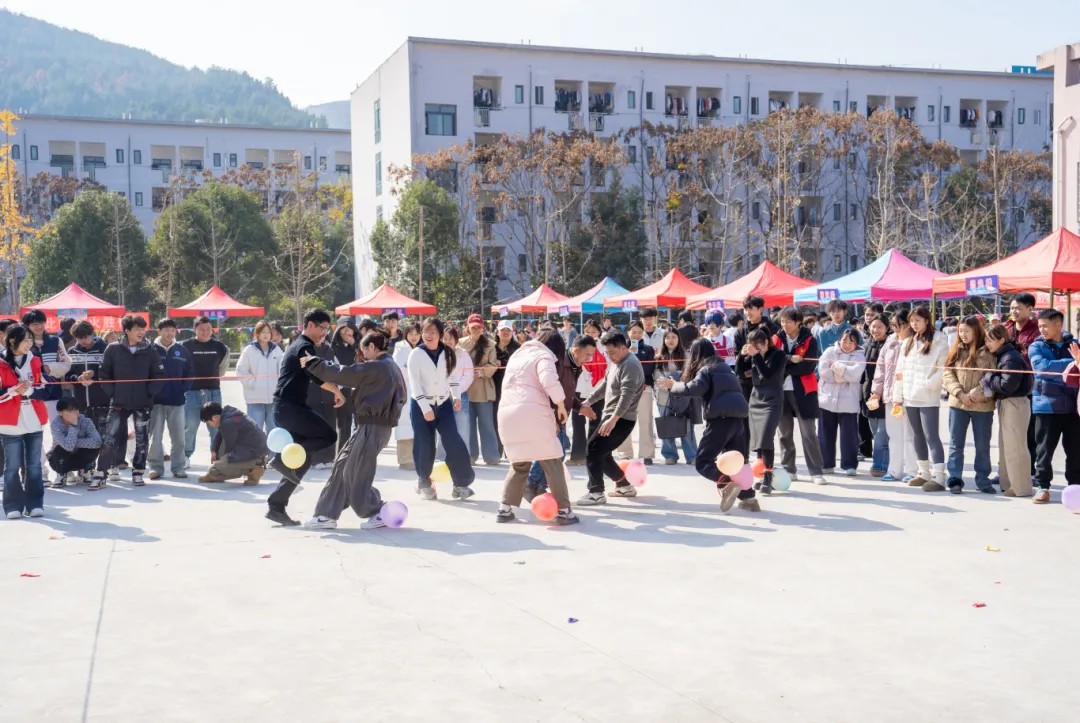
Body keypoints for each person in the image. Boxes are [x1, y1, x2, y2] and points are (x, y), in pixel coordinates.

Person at [303, 331, 408, 529]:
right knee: (342, 467)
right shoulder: (390, 366)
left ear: (371, 348)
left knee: (355, 473)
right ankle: (326, 515)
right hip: (371, 426)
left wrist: (314, 363)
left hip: (373, 426)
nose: (364, 356)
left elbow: (344, 373)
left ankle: (377, 511)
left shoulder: (378, 366)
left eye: (364, 351)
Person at [657, 338, 756, 512]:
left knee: (703, 461)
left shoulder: (706, 369)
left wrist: (674, 386)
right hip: (738, 420)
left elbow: (693, 389)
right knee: (737, 462)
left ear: (696, 354)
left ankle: (726, 483)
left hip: (720, 421)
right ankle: (749, 498)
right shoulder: (725, 367)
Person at [496, 328, 580, 525]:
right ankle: (565, 511)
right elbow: (549, 380)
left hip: (507, 413)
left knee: (519, 464)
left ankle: (504, 509)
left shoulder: (518, 353)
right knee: (552, 461)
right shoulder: (544, 356)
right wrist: (560, 403)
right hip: (532, 412)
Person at [264, 309, 339, 526]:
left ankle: (276, 505)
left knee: (300, 460)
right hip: (289, 408)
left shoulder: (299, 345)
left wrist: (335, 390)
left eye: (327, 329)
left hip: (290, 407)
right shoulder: (304, 345)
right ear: (309, 325)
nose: (324, 334)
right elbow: (316, 373)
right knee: (328, 436)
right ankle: (279, 460)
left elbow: (312, 376)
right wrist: (338, 388)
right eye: (322, 328)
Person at [408, 317, 476, 501]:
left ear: (439, 334)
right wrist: (425, 408)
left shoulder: (448, 353)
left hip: (444, 403)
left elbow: (453, 378)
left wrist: (455, 396)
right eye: (425, 332)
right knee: (425, 443)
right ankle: (423, 481)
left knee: (454, 441)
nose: (428, 336)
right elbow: (414, 384)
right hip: (422, 405)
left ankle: (461, 483)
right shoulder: (416, 354)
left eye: (433, 332)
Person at [578, 331, 644, 505]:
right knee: (603, 454)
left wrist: (613, 419)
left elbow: (626, 396)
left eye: (612, 353)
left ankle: (596, 492)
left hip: (622, 419)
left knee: (592, 449)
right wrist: (589, 400)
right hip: (612, 416)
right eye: (607, 353)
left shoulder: (630, 365)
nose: (610, 356)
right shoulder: (616, 362)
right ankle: (624, 486)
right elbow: (606, 384)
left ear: (623, 348)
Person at [98, 315, 165, 487]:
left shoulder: (150, 349)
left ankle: (138, 471)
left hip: (142, 402)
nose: (142, 332)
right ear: (127, 331)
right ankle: (102, 472)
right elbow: (104, 374)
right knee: (110, 437)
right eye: (137, 329)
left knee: (142, 438)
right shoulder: (113, 349)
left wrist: (149, 393)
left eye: (143, 329)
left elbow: (158, 375)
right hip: (119, 402)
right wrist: (113, 393)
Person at [939, 316, 997, 494]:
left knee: (982, 444)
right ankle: (954, 478)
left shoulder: (988, 351)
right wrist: (960, 394)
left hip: (983, 406)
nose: (963, 335)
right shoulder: (956, 350)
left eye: (967, 331)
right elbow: (947, 374)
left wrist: (974, 395)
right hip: (958, 404)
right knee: (956, 444)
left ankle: (983, 479)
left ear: (976, 331)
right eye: (960, 331)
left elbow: (992, 376)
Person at [1028, 309, 1080, 504]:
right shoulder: (1036, 346)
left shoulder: (1075, 344)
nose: (1041, 329)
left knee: (1075, 451)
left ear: (1058, 325)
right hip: (1046, 406)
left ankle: (1075, 486)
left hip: (1073, 408)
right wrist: (1072, 364)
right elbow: (1042, 369)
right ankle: (1043, 486)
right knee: (1044, 450)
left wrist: (1066, 369)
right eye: (1039, 326)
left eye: (1045, 326)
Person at [894, 306, 949, 489]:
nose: (914, 324)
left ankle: (939, 475)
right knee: (916, 435)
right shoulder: (908, 341)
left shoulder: (939, 339)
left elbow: (942, 369)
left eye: (918, 320)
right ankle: (923, 472)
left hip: (927, 396)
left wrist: (927, 385)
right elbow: (899, 371)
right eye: (912, 321)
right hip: (910, 396)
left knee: (931, 435)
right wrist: (898, 395)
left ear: (927, 320)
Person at [771, 307, 827, 485]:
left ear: (798, 323)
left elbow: (808, 367)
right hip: (780, 391)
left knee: (808, 432)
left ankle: (816, 471)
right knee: (784, 433)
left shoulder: (810, 339)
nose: (784, 325)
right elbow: (772, 364)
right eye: (782, 321)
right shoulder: (776, 339)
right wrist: (789, 359)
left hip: (804, 391)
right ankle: (789, 469)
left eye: (788, 321)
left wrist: (784, 367)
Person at [1, 324, 48, 518]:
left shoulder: (35, 361)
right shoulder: (1, 362)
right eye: (26, 339)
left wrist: (28, 391)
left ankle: (35, 503)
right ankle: (13, 506)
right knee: (11, 466)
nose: (30, 343)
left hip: (34, 421)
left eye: (31, 339)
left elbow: (47, 389)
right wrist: (14, 391)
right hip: (9, 423)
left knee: (34, 465)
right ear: (13, 341)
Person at [985, 324, 1033, 497]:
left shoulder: (1010, 357)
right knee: (1006, 446)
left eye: (990, 340)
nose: (987, 343)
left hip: (1015, 403)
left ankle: (1021, 487)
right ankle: (1008, 483)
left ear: (1001, 340)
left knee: (1016, 447)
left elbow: (1008, 385)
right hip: (1008, 403)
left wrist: (990, 377)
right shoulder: (1004, 355)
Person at [22, 309, 71, 478]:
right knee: (35, 433)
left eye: (41, 322)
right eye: (34, 323)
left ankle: (60, 469)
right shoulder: (23, 344)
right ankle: (41, 472)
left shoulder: (56, 341)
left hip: (53, 394)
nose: (39, 326)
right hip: (32, 395)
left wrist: (51, 369)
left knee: (58, 431)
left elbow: (66, 363)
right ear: (27, 326)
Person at [870, 310, 917, 482]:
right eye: (894, 326)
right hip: (890, 396)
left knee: (910, 435)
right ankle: (894, 469)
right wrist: (876, 391)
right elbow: (880, 369)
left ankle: (912, 470)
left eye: (898, 326)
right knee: (894, 435)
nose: (896, 330)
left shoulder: (915, 343)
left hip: (908, 396)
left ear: (907, 325)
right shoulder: (889, 342)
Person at [64, 321, 111, 488]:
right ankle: (85, 469)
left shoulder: (104, 348)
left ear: (93, 333)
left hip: (102, 400)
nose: (84, 341)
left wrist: (95, 375)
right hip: (81, 401)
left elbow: (110, 371)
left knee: (101, 436)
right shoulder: (71, 351)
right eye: (79, 338)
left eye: (86, 337)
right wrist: (77, 379)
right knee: (83, 437)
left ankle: (102, 470)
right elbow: (68, 374)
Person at [147, 318, 193, 481]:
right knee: (155, 438)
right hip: (156, 402)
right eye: (166, 330)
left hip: (177, 401)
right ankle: (155, 467)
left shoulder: (182, 350)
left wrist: (183, 388)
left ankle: (178, 467)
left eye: (172, 330)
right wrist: (150, 391)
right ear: (158, 331)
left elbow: (189, 373)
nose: (169, 333)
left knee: (179, 437)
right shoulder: (150, 349)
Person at [817, 328, 867, 476]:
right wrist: (843, 375)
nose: (847, 344)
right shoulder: (829, 351)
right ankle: (826, 463)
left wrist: (837, 367)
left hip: (848, 402)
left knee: (849, 436)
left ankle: (850, 464)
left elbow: (855, 375)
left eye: (851, 341)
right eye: (844, 340)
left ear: (856, 343)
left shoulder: (860, 355)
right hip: (827, 399)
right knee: (825, 434)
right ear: (840, 339)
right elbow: (823, 372)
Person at [744, 328, 786, 494]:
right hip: (756, 399)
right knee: (758, 439)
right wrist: (742, 357)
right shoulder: (754, 356)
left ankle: (768, 476)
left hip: (772, 400)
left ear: (766, 342)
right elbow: (741, 373)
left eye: (759, 345)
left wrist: (756, 356)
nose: (756, 348)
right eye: (753, 346)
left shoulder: (779, 355)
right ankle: (761, 474)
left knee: (766, 437)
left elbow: (768, 374)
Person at [733, 296, 780, 445]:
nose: (747, 312)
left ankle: (764, 454)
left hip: (765, 379)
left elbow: (774, 355)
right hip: (746, 381)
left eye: (751, 308)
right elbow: (738, 359)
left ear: (760, 309)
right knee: (744, 418)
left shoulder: (772, 329)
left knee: (764, 420)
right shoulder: (740, 332)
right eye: (745, 309)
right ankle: (745, 453)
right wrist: (743, 355)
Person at [182, 316, 230, 460]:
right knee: (190, 426)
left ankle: (216, 455)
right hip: (192, 392)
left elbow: (222, 369)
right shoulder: (185, 346)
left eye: (208, 329)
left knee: (215, 426)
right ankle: (186, 456)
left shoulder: (220, 347)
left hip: (213, 391)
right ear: (195, 329)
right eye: (201, 329)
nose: (205, 332)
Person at [459, 314, 500, 465]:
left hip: (483, 389)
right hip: (466, 389)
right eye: (473, 327)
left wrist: (481, 372)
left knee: (487, 424)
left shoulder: (490, 344)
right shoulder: (460, 344)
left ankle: (491, 456)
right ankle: (470, 455)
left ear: (483, 328)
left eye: (479, 327)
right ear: (468, 327)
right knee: (467, 425)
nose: (476, 329)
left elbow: (494, 364)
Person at [198, 402, 268, 484]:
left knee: (216, 468)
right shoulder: (229, 413)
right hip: (256, 450)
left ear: (214, 418)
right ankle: (253, 468)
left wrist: (220, 463)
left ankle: (253, 468)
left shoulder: (228, 423)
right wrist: (214, 450)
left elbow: (228, 448)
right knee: (220, 458)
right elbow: (220, 433)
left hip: (254, 453)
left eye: (208, 422)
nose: (210, 425)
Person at [616, 321, 656, 464]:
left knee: (645, 421)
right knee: (624, 420)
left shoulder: (649, 349)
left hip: (644, 389)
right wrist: (629, 354)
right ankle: (625, 452)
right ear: (628, 332)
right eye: (634, 332)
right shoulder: (621, 349)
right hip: (625, 390)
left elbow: (649, 369)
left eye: (640, 332)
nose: (637, 335)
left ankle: (647, 453)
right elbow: (618, 368)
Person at [654, 329, 697, 465]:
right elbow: (655, 375)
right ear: (664, 340)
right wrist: (664, 383)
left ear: (679, 339)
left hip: (682, 394)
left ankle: (691, 456)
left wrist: (675, 382)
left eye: (674, 337)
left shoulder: (687, 356)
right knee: (666, 424)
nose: (671, 340)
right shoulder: (658, 357)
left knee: (687, 426)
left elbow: (689, 374)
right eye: (668, 338)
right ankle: (670, 455)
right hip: (664, 394)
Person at [235, 320, 284, 434]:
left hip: (273, 398)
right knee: (255, 431)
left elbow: (283, 369)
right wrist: (253, 383)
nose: (266, 334)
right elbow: (241, 370)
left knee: (274, 431)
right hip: (255, 399)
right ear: (257, 334)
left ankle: (272, 453)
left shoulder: (276, 350)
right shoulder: (249, 350)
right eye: (263, 332)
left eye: (268, 332)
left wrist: (279, 386)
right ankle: (257, 453)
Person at [47, 396, 102, 487]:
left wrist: (73, 442)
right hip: (60, 459)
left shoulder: (86, 421)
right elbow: (67, 447)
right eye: (69, 411)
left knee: (94, 448)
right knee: (60, 447)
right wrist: (74, 426)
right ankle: (61, 473)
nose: (73, 414)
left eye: (75, 410)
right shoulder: (56, 424)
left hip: (80, 455)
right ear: (60, 413)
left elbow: (97, 442)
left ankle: (84, 471)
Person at [861, 315, 891, 477]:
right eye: (873, 326)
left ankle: (880, 465)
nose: (875, 330)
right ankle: (886, 462)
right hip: (869, 395)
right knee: (875, 433)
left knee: (881, 434)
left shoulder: (892, 346)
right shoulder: (865, 346)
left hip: (885, 395)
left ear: (887, 328)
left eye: (879, 326)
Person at [439, 325, 474, 455]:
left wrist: (457, 391)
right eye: (444, 339)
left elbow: (468, 375)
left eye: (450, 338)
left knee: (462, 426)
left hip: (461, 395)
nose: (447, 341)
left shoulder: (463, 354)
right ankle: (442, 456)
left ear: (456, 340)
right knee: (443, 426)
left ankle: (463, 455)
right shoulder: (437, 354)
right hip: (441, 395)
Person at [392, 322, 421, 470]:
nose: (414, 337)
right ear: (406, 334)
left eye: (417, 334)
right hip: (405, 390)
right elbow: (396, 368)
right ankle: (404, 459)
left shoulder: (422, 348)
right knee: (404, 425)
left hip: (419, 391)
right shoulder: (400, 347)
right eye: (411, 334)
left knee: (417, 425)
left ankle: (416, 457)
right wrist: (413, 371)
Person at [329, 322, 358, 456]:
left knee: (356, 423)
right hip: (339, 389)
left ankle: (352, 452)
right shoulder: (332, 348)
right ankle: (339, 452)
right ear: (339, 332)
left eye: (350, 330)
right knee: (341, 424)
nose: (348, 334)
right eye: (344, 331)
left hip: (357, 388)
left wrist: (355, 345)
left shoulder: (358, 346)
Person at [492, 319, 520, 459]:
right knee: (496, 420)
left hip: (512, 390)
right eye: (503, 330)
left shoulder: (518, 348)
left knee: (511, 421)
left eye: (508, 331)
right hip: (494, 388)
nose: (505, 333)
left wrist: (502, 363)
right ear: (498, 332)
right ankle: (497, 450)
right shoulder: (491, 347)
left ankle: (511, 452)